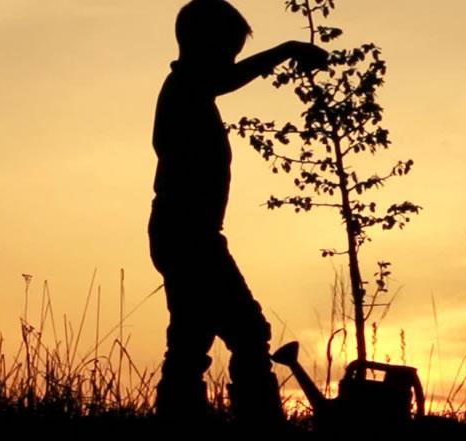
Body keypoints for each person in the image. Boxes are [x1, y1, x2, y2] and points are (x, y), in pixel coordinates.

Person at [149, 0, 327, 424]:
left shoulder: (187, 91)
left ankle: (179, 419)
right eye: (226, 49)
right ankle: (260, 422)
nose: (231, 59)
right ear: (201, 45)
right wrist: (286, 49)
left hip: (186, 233)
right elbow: (222, 79)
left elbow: (220, 78)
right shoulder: (187, 87)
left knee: (191, 339)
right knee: (248, 332)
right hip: (190, 236)